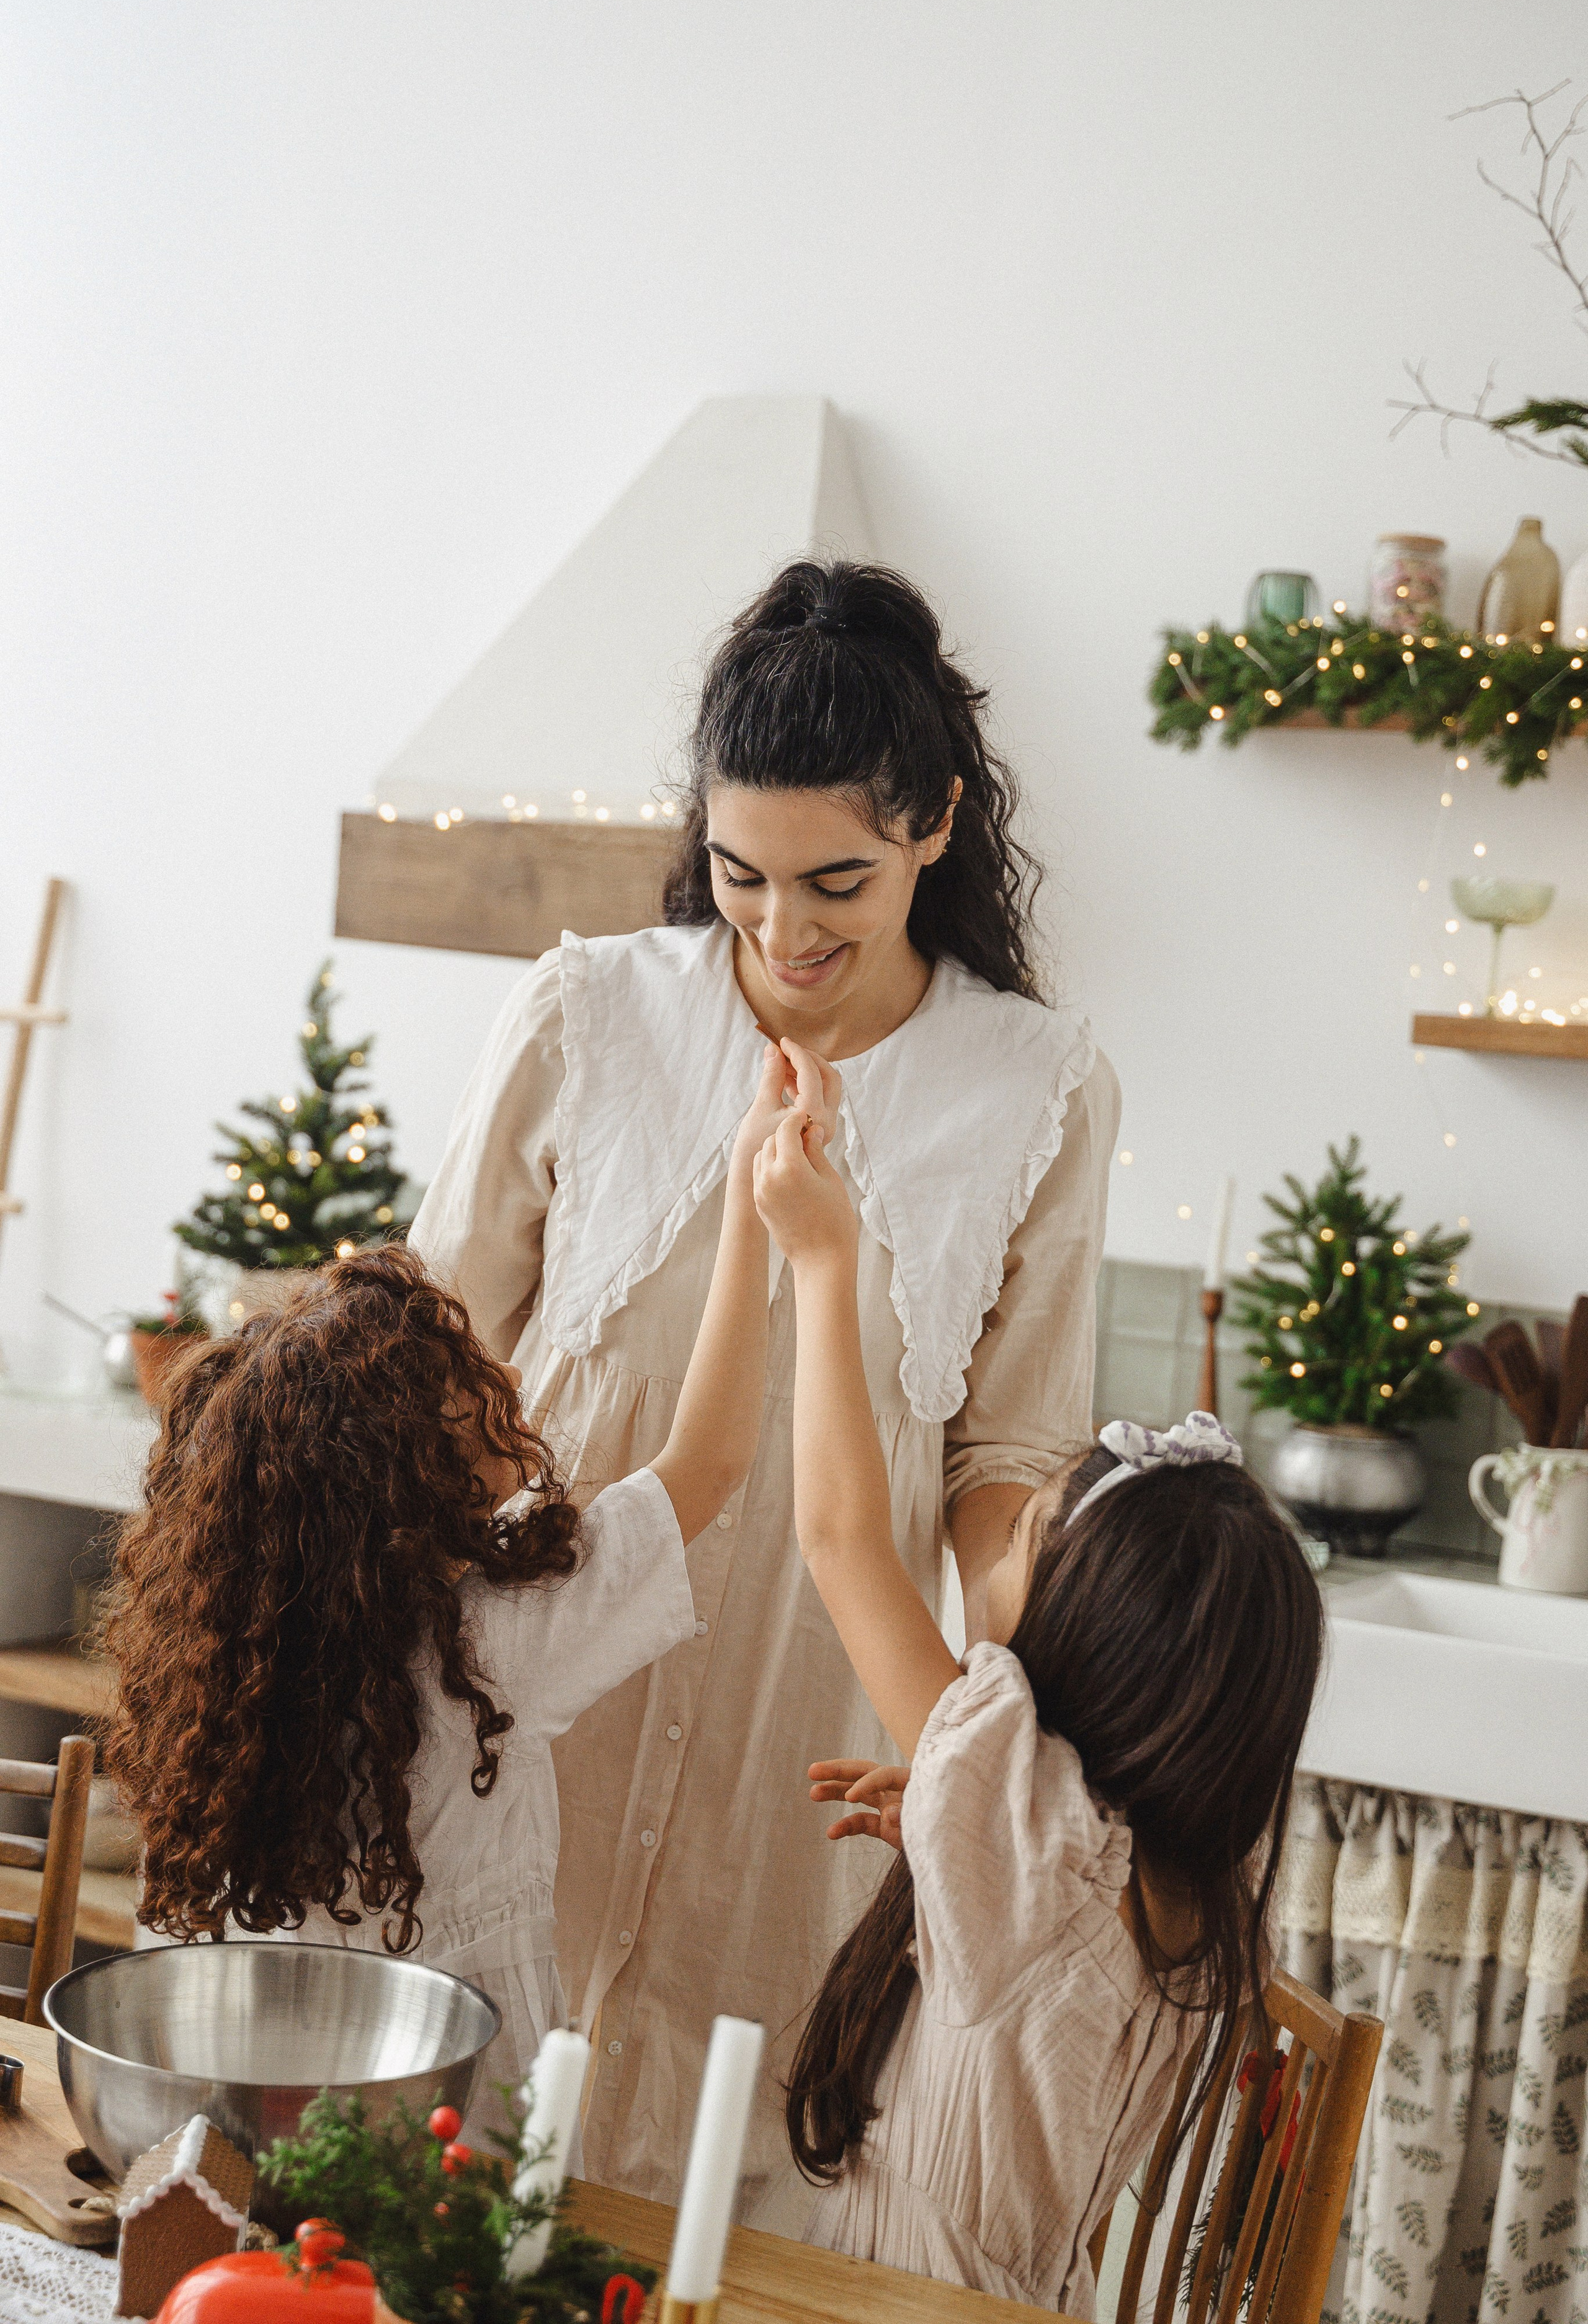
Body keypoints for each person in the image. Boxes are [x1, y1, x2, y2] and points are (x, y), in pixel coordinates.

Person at [409, 558, 1119, 2227]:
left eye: (838, 882)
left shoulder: (1039, 1086)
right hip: (529, 1726)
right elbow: (427, 1348)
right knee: (458, 2186)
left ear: (935, 823)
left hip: (798, 1760)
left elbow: (1012, 1448)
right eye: (742, 876)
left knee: (735, 2217)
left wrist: (1014, 1709)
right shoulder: (588, 1009)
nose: (785, 932)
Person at [99, 1041, 806, 2136]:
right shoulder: (493, 1638)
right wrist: (756, 1212)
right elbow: (710, 1458)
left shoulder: (236, 1669)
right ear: (407, 1470)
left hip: (238, 2108)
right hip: (448, 2129)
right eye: (471, 1383)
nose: (513, 1376)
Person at [751, 1105, 1326, 2315]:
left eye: (1010, 1538)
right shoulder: (1180, 1879)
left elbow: (843, 1537)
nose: (982, 1557)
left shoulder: (1034, 1841)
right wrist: (959, 1827)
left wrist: (819, 1258)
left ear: (1093, 1645)